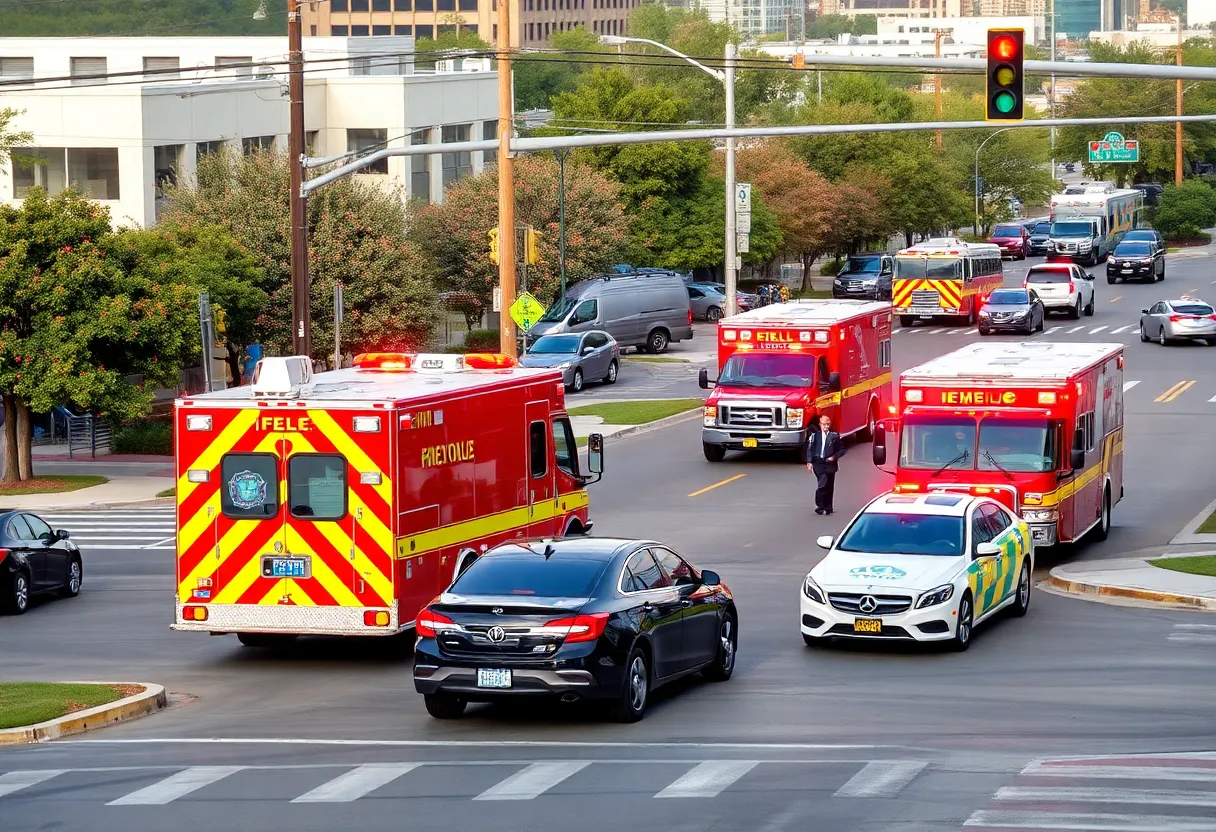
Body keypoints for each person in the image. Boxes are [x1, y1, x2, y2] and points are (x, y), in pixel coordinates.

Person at [807, 414, 846, 515]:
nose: (826, 426)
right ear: (820, 424)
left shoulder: (834, 436)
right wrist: (809, 462)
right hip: (818, 463)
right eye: (824, 424)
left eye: (828, 424)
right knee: (822, 483)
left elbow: (842, 449)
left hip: (830, 464)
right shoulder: (815, 436)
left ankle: (828, 507)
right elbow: (810, 449)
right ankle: (820, 506)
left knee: (829, 486)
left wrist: (834, 457)